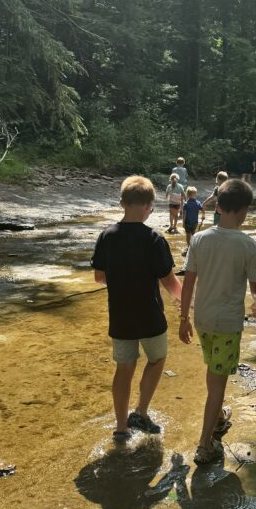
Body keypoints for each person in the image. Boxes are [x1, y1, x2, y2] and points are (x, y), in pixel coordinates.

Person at [178, 179, 256, 465]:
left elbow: (188, 281)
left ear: (219, 205)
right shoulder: (247, 244)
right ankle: (205, 444)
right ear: (244, 211)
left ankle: (218, 415)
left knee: (213, 372)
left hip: (202, 320)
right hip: (227, 323)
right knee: (218, 383)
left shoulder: (200, 239)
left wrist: (183, 319)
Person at [92, 175, 182, 442]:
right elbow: (169, 281)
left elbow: (99, 276)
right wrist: (187, 302)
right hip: (150, 316)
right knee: (156, 360)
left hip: (120, 315)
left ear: (122, 203)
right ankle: (141, 412)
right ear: (149, 206)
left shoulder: (106, 236)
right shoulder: (153, 238)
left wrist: (122, 276)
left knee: (124, 368)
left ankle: (121, 428)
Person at [182, 186, 204, 253]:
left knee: (188, 235)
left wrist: (183, 222)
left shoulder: (186, 204)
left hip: (187, 222)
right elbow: (203, 210)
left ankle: (189, 246)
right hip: (195, 222)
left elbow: (184, 214)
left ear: (187, 195)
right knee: (193, 234)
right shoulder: (198, 203)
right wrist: (203, 216)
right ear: (195, 194)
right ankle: (194, 246)